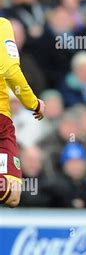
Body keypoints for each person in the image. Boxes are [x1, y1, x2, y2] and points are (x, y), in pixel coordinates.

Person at [0, 17, 45, 208]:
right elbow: (10, 71)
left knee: (11, 195)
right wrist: (33, 103)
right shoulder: (2, 25)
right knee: (12, 194)